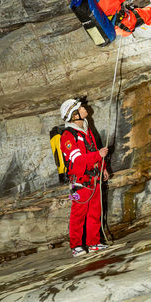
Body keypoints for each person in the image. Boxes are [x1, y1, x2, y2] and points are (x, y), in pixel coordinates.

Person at [59, 97, 109, 256]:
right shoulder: (67, 137)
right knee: (77, 214)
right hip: (78, 183)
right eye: (80, 108)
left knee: (95, 211)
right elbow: (79, 160)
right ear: (74, 115)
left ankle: (94, 242)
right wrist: (98, 155)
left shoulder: (86, 131)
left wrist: (103, 168)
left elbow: (93, 149)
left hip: (93, 180)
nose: (84, 109)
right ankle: (75, 246)